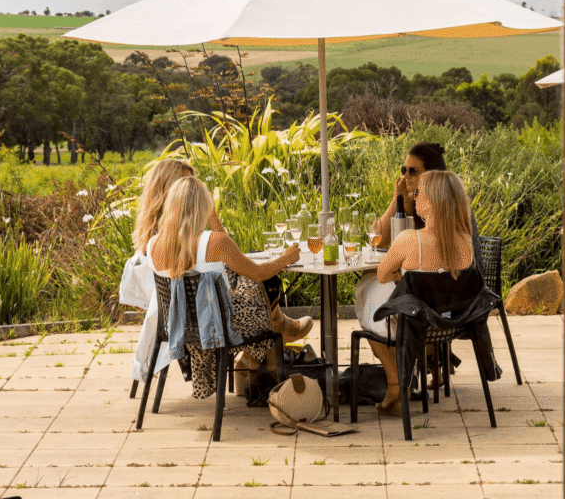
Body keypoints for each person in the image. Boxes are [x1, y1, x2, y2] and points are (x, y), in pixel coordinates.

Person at [122, 157, 311, 384]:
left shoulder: (155, 243)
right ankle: (270, 342)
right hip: (218, 326)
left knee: (249, 279)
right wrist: (285, 258)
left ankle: (256, 362)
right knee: (263, 282)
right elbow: (256, 272)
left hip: (183, 324)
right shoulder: (214, 241)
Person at [355, 169, 476, 416]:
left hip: (412, 324)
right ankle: (403, 381)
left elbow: (382, 274)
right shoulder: (465, 240)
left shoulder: (409, 239)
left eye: (420, 193)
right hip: (447, 324)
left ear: (432, 203)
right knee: (379, 299)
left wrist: (402, 275)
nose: (415, 196)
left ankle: (396, 386)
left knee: (367, 295)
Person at [373, 142, 447, 249]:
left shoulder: (446, 205)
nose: (406, 176)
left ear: (432, 174)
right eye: (404, 170)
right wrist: (397, 200)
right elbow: (376, 240)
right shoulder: (416, 202)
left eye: (413, 171)